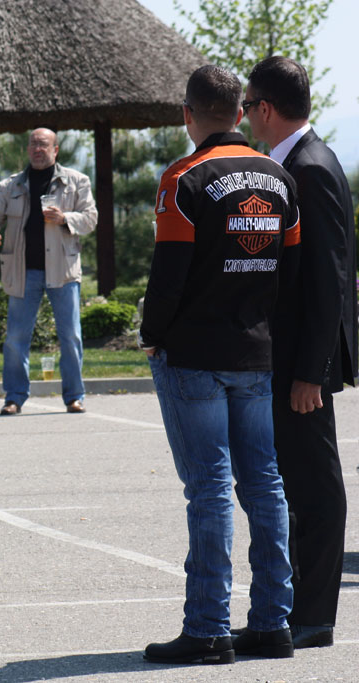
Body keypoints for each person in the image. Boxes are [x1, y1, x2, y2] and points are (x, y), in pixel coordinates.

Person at [139, 65, 299, 664]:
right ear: (240, 112)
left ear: (188, 115)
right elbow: (293, 272)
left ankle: (207, 630)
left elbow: (170, 274)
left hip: (195, 357)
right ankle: (273, 623)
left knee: (208, 490)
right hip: (256, 353)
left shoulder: (182, 178)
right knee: (264, 484)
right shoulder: (280, 179)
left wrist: (152, 334)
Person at [244, 55, 358, 649]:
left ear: (265, 109)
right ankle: (297, 610)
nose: (244, 117)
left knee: (314, 486)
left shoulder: (308, 167)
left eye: (247, 106)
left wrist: (312, 371)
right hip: (295, 358)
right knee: (298, 483)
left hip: (304, 363)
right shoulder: (299, 162)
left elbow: (328, 277)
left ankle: (313, 616)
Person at [0, 127, 98, 415]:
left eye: (43, 145)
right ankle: (14, 397)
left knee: (70, 337)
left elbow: (91, 218)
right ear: (27, 150)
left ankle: (74, 396)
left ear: (56, 150)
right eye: (33, 144)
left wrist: (64, 217)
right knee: (16, 338)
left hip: (63, 271)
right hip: (23, 271)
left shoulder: (77, 181)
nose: (37, 149)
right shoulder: (10, 186)